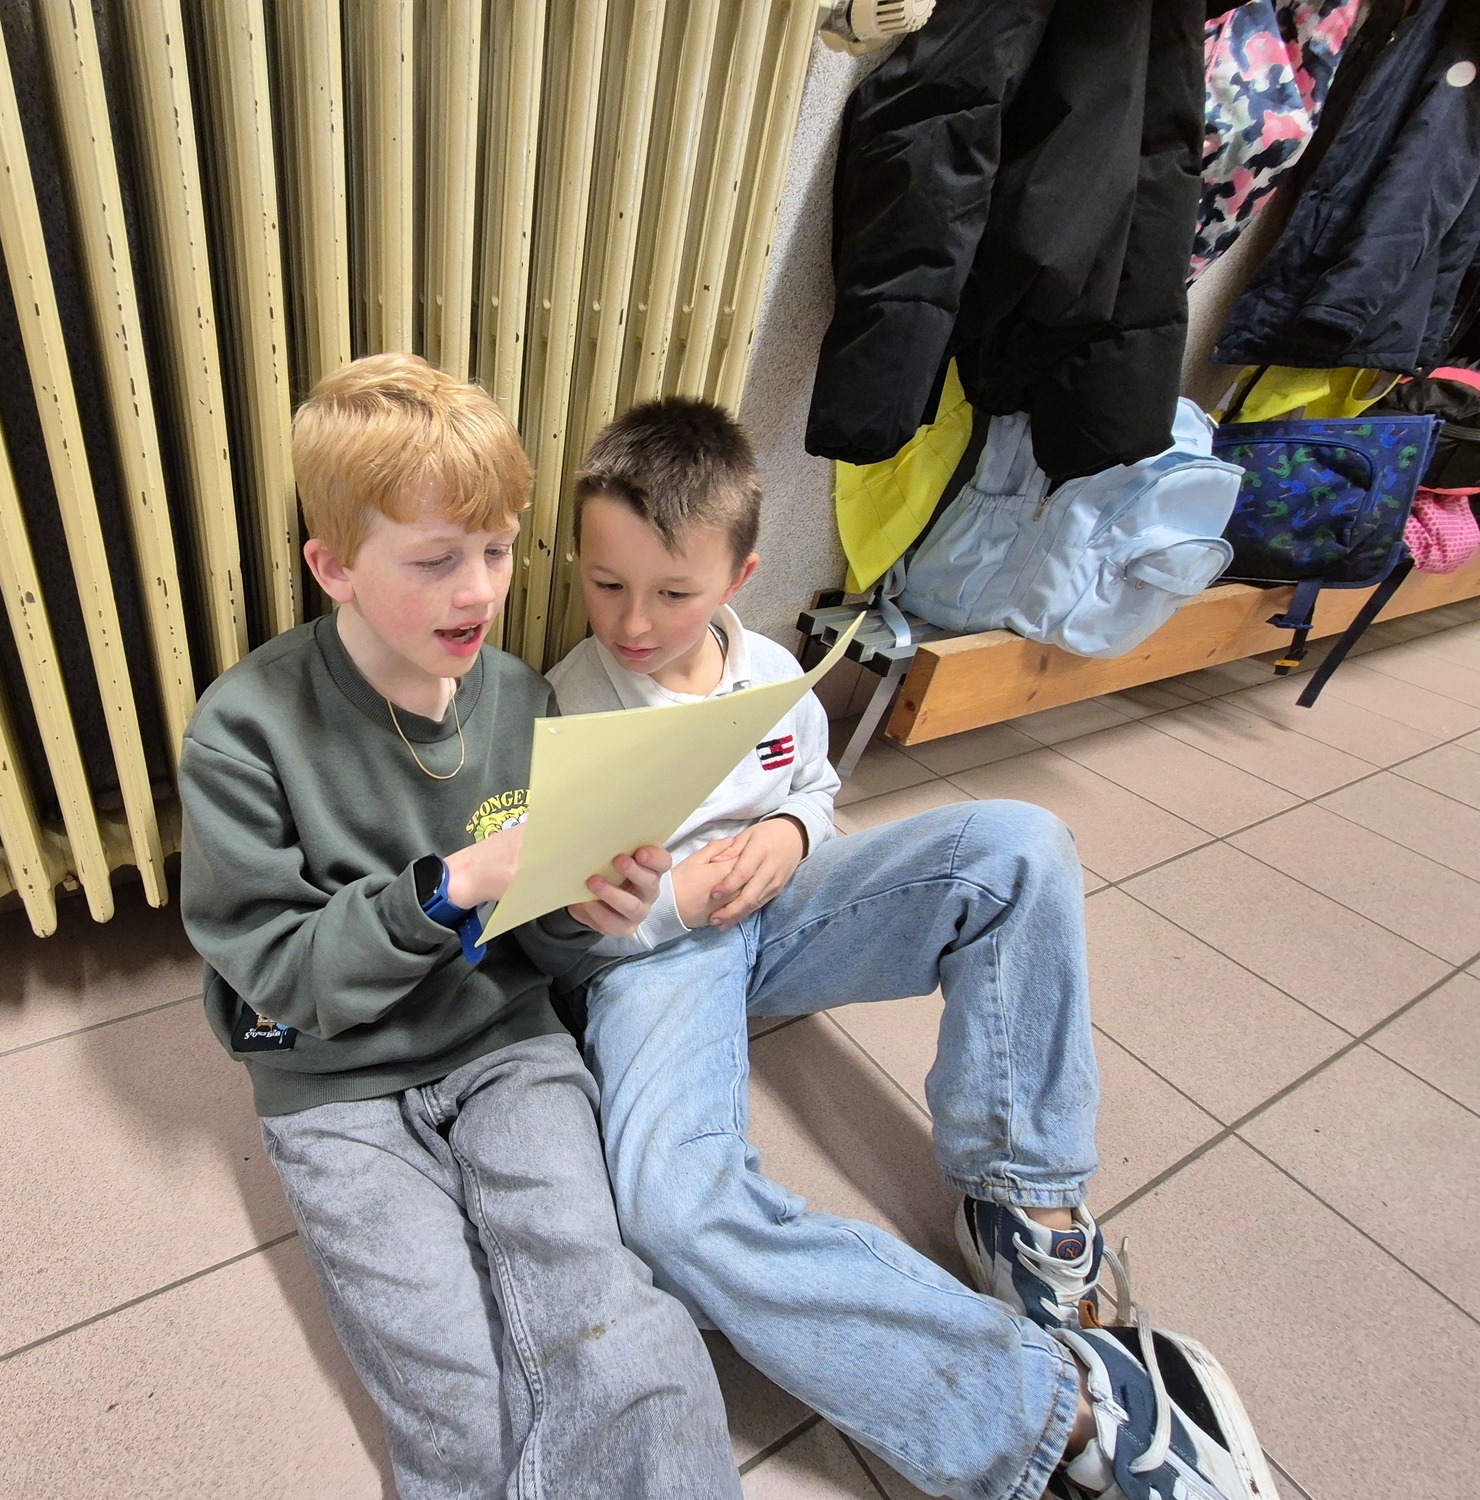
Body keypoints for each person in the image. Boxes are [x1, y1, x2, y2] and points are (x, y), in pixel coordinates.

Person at [546, 397, 1276, 1500]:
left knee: (1017, 847)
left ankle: (1022, 1205)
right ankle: (1058, 1409)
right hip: (657, 962)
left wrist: (794, 835)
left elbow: (812, 785)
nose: (633, 622)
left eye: (672, 593)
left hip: (779, 911)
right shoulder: (563, 707)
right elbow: (556, 937)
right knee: (671, 1209)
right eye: (605, 585)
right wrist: (661, 906)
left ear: (738, 578)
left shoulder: (768, 671)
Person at [177, 356, 742, 1500]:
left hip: (502, 1043)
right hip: (331, 1081)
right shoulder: (241, 732)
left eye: (496, 550)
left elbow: (548, 947)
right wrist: (450, 886)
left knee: (616, 1325)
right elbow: (280, 977)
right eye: (435, 561)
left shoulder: (524, 699)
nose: (478, 592)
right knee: (451, 1397)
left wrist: (589, 911)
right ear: (333, 567)